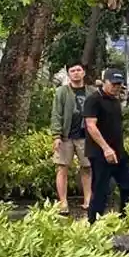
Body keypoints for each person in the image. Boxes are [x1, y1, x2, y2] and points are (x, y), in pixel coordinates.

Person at [83, 68, 129, 222]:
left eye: (119, 84)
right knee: (101, 191)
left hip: (119, 152)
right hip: (100, 154)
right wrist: (106, 148)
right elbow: (91, 126)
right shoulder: (94, 100)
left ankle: (126, 219)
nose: (116, 87)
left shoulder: (115, 99)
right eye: (113, 84)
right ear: (104, 82)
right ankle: (93, 223)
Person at [50, 62, 95, 213]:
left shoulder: (91, 92)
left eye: (79, 70)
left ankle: (88, 200)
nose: (76, 73)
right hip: (66, 136)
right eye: (73, 70)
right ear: (69, 73)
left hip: (86, 136)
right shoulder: (62, 92)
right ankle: (63, 202)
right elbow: (56, 114)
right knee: (62, 167)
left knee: (87, 167)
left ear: (83, 73)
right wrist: (56, 135)